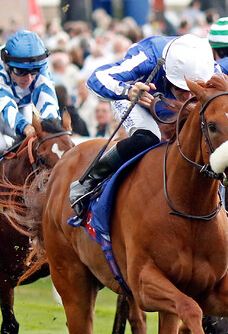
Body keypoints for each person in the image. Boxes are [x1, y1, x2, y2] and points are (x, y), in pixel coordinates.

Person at [70, 34, 217, 217]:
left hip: (164, 103)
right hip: (136, 100)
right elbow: (95, 79)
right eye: (180, 88)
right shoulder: (148, 55)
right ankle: (90, 180)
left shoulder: (207, 65)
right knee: (148, 137)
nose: (187, 97)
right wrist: (128, 91)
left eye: (192, 90)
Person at [0, 30, 60, 144]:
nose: (28, 78)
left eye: (34, 71)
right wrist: (25, 127)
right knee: (3, 145)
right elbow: (5, 104)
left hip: (22, 106)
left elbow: (47, 99)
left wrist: (53, 127)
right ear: (8, 64)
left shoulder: (40, 63)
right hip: (3, 106)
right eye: (21, 71)